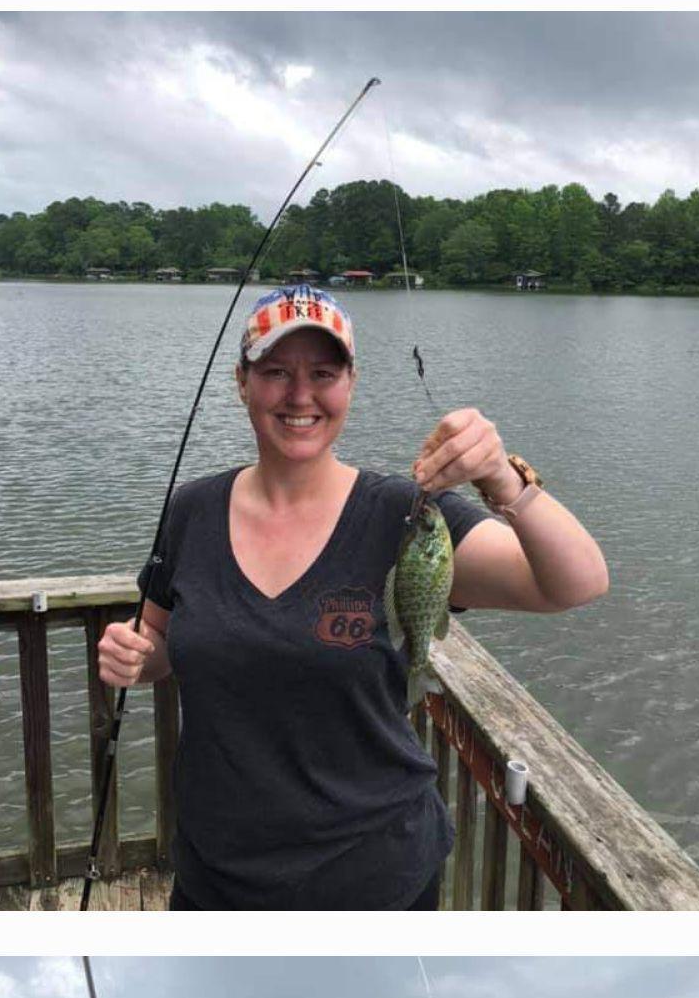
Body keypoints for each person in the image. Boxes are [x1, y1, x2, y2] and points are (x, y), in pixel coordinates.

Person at [93, 283, 607, 909]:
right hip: (217, 871)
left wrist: (503, 478)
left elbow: (576, 583)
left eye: (323, 373)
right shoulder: (192, 509)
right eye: (276, 372)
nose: (300, 395)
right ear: (242, 383)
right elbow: (159, 638)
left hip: (376, 876)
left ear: (351, 384)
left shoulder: (405, 516)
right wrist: (136, 655)